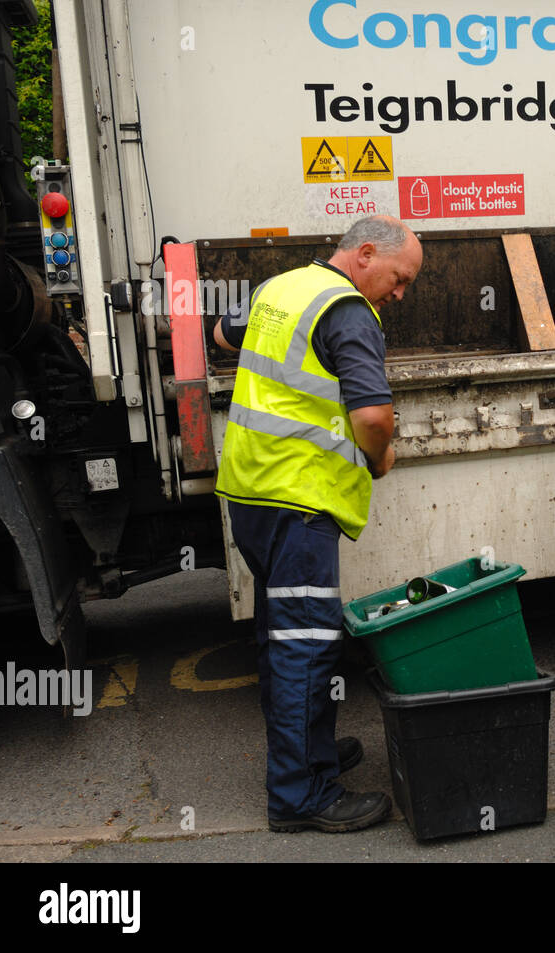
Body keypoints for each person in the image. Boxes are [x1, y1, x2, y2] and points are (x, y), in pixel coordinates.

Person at [213, 214, 423, 832]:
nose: (401, 293)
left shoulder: (281, 289)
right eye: (400, 277)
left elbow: (225, 335)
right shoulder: (349, 311)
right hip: (299, 501)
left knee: (279, 637)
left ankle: (307, 756)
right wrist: (381, 459)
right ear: (364, 254)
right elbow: (374, 417)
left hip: (252, 493)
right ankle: (301, 795)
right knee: (306, 646)